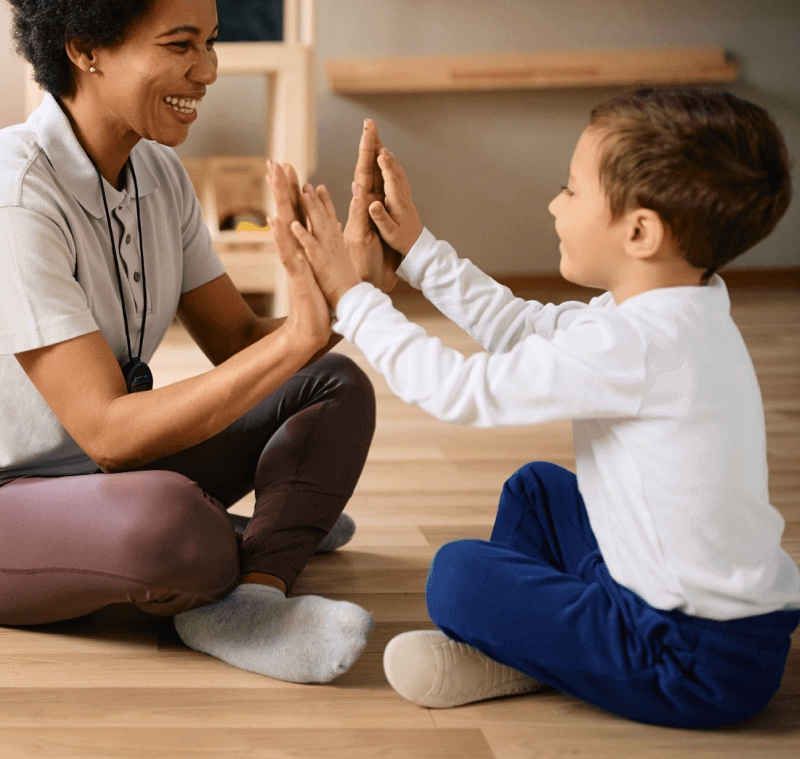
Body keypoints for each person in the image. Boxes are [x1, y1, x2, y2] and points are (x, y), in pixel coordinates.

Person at [0, 0, 399, 686]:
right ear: (85, 46)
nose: (208, 70)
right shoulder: (5, 193)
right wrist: (298, 335)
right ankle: (243, 538)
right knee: (173, 529)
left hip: (99, 477)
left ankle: (251, 592)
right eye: (180, 45)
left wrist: (348, 294)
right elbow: (110, 431)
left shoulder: (157, 176)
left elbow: (236, 344)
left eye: (211, 42)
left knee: (333, 383)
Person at [277, 86, 800, 726]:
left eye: (572, 189)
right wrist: (419, 251)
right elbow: (526, 328)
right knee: (538, 492)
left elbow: (457, 391)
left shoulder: (637, 343)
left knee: (457, 576)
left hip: (692, 660)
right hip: (713, 627)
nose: (556, 202)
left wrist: (352, 298)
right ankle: (538, 645)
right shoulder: (678, 308)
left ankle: (524, 650)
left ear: (640, 231)